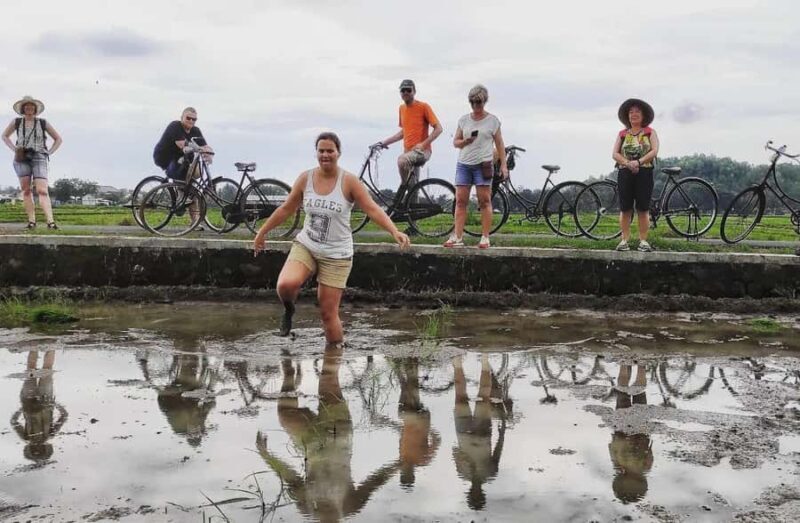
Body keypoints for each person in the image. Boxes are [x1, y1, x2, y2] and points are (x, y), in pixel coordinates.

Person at [253, 132, 410, 343]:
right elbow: (286, 209)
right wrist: (262, 232)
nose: (325, 155)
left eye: (330, 151)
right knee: (285, 285)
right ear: (316, 153)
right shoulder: (305, 178)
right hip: (307, 245)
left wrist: (394, 231)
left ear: (338, 153)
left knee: (328, 314)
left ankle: (333, 362)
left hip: (336, 254)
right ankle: (289, 310)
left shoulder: (349, 182)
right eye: (321, 151)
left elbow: (372, 209)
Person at [256, 345, 401, 522]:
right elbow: (375, 481)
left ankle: (289, 374)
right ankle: (334, 342)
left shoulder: (306, 507)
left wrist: (266, 455)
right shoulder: (351, 505)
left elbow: (291, 478)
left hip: (310, 442)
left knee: (286, 414)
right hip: (338, 431)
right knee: (328, 377)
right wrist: (399, 464)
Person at [445, 85, 508, 249]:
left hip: (483, 164)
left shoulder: (493, 121)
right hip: (464, 164)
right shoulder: (464, 120)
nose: (475, 106)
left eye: (478, 102)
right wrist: (465, 141)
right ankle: (457, 236)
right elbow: (456, 142)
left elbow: (499, 143)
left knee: (484, 200)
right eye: (472, 102)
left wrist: (503, 165)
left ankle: (485, 237)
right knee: (460, 201)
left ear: (484, 101)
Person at [2, 96, 63, 229]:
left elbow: (58, 139)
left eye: (31, 106)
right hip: (21, 156)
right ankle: (32, 221)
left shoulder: (42, 122)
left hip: (39, 156)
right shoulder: (17, 122)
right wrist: (14, 148)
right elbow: (4, 136)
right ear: (23, 109)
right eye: (26, 106)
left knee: (42, 190)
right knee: (26, 190)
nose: (29, 108)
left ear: (35, 109)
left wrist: (49, 151)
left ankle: (50, 222)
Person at [612, 99, 660, 252]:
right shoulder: (622, 134)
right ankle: (624, 240)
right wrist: (627, 163)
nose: (634, 114)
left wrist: (638, 162)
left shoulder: (650, 132)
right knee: (625, 208)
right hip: (625, 172)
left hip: (644, 171)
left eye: (637, 111)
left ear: (643, 115)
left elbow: (654, 151)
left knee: (643, 208)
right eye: (631, 112)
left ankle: (643, 241)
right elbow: (615, 153)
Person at [378, 79, 443, 187]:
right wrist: (385, 142)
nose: (406, 93)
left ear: (414, 91)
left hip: (422, 151)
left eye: (408, 90)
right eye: (403, 90)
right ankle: (410, 195)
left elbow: (439, 129)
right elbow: (403, 132)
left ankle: (406, 187)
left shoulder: (423, 107)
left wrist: (423, 144)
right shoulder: (402, 108)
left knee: (401, 161)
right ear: (400, 93)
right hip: (408, 152)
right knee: (412, 194)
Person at [152, 107, 213, 181]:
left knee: (198, 171)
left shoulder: (196, 131)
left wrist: (209, 153)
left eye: (194, 119)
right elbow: (182, 144)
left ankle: (184, 188)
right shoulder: (175, 126)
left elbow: (205, 146)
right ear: (182, 118)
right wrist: (200, 149)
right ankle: (180, 184)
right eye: (188, 118)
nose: (191, 121)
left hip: (181, 159)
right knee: (181, 170)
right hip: (166, 158)